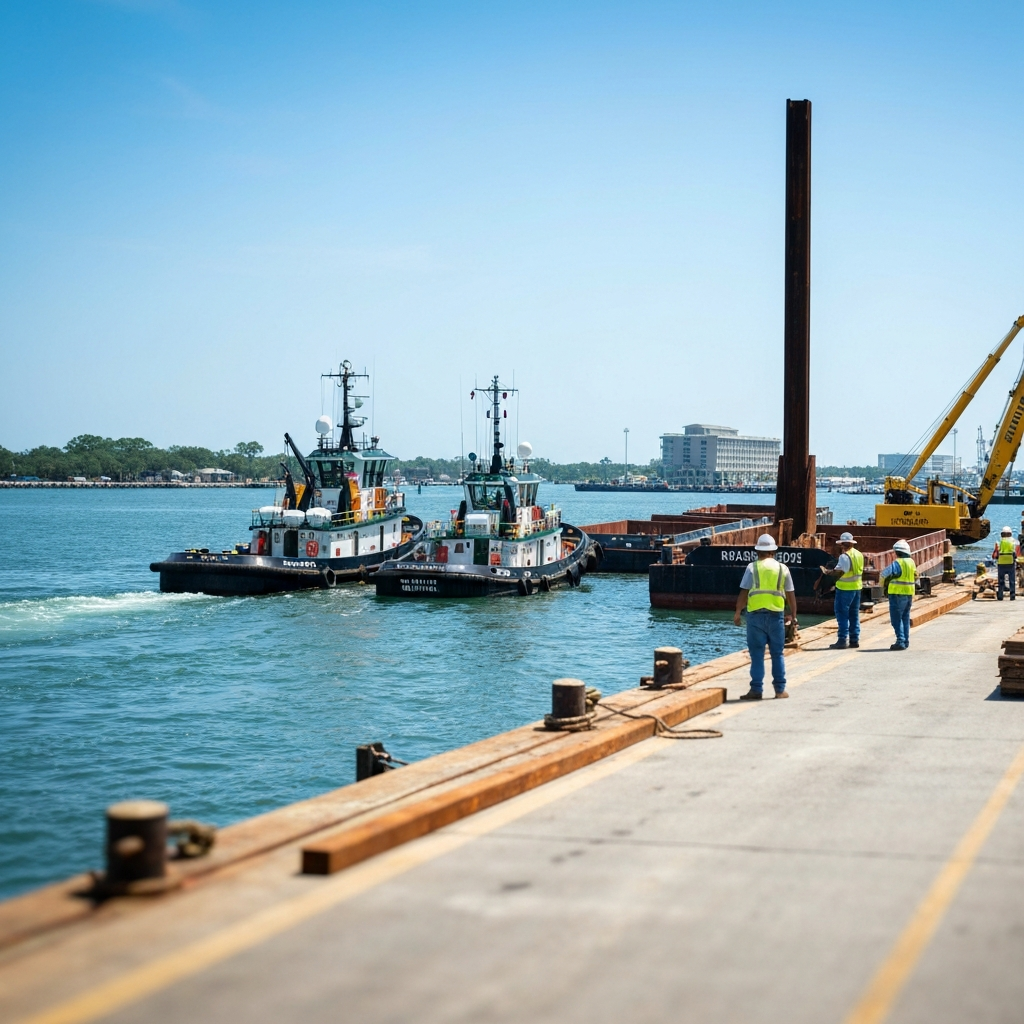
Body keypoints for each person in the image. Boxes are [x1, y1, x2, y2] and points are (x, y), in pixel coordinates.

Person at [734, 533, 798, 701]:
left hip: (755, 617)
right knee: (777, 654)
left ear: (758, 552)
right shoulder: (783, 569)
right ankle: (779, 690)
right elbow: (791, 594)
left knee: (757, 655)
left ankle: (756, 690)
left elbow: (744, 592)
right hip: (776, 616)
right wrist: (794, 615)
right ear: (773, 552)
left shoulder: (752, 568)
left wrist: (737, 612)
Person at [820, 531, 864, 649]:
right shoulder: (859, 554)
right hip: (857, 588)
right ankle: (854, 639)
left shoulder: (844, 557)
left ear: (842, 544)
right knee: (854, 614)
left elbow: (839, 572)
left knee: (841, 613)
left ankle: (842, 639)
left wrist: (826, 571)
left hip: (845, 589)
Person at [880, 539, 916, 650]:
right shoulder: (911, 562)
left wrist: (883, 587)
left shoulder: (898, 563)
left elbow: (884, 574)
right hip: (909, 593)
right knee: (905, 618)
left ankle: (900, 641)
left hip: (897, 594)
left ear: (897, 552)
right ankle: (905, 640)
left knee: (896, 619)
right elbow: (916, 575)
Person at [993, 526, 1019, 601]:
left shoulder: (998, 542)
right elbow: (1015, 553)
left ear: (1002, 534)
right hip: (1010, 563)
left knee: (1001, 581)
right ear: (1010, 534)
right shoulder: (1013, 542)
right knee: (1012, 581)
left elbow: (996, 554)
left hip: (1001, 563)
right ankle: (1012, 596)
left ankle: (1000, 596)